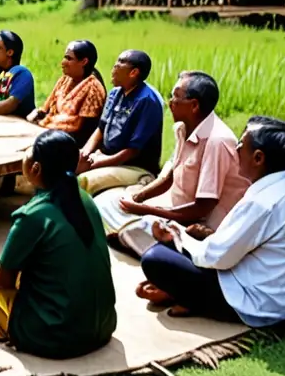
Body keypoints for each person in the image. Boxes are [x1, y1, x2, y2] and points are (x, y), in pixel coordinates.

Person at [137, 117, 285, 326]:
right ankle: (179, 291)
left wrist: (177, 236)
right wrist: (184, 236)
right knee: (173, 247)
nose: (236, 150)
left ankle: (190, 299)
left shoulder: (263, 203)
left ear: (258, 158)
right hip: (273, 297)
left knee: (155, 257)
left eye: (241, 145)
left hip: (255, 304)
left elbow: (218, 257)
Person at [0, 131, 117, 358]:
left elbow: (4, 280)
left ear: (35, 169)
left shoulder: (31, 215)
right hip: (103, 325)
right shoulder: (85, 199)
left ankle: (9, 328)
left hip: (55, 335)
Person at [96, 71, 250, 252]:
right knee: (105, 203)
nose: (170, 102)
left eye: (176, 97)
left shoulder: (217, 141)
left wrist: (145, 210)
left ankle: (161, 247)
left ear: (194, 105)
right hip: (177, 208)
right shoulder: (183, 129)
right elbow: (169, 177)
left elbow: (202, 208)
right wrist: (139, 198)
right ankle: (141, 240)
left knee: (138, 225)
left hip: (204, 225)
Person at [76, 50, 165, 196]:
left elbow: (132, 151)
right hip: (105, 156)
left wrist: (93, 164)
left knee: (83, 181)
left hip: (133, 166)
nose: (114, 66)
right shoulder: (115, 93)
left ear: (134, 72)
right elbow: (101, 128)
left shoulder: (147, 102)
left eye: (121, 62)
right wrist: (84, 154)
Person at [27, 40, 106, 146]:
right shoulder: (65, 80)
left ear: (84, 62)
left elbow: (80, 127)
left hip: (73, 141)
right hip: (52, 129)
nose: (63, 63)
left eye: (69, 58)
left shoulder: (93, 88)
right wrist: (37, 115)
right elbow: (46, 108)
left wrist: (45, 125)